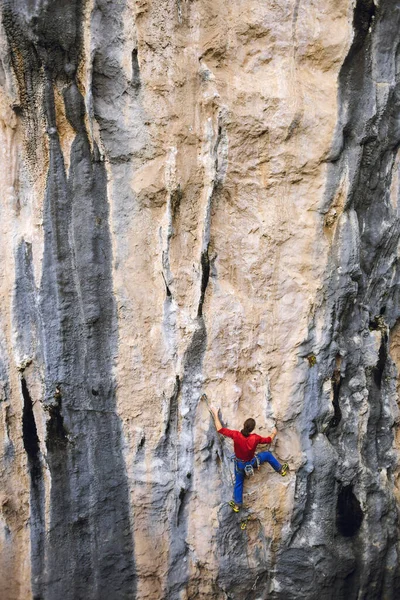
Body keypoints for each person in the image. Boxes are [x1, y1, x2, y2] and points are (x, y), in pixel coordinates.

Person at [209, 404, 289, 512]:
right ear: (252, 429)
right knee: (267, 455)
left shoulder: (236, 435)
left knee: (239, 482)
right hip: (252, 463)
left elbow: (219, 429)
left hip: (240, 465)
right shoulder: (255, 438)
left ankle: (237, 505)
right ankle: (280, 470)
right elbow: (268, 440)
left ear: (244, 425)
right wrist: (274, 433)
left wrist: (215, 413)